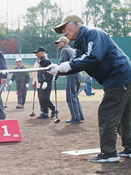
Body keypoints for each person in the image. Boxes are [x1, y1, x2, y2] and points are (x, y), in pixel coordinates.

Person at [48, 15, 131, 162]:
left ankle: (109, 153)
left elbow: (93, 57)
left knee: (107, 113)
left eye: (64, 28)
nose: (63, 33)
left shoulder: (93, 34)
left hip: (119, 77)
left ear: (75, 24)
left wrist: (67, 66)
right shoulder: (80, 44)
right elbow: (78, 63)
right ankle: (129, 148)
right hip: (121, 78)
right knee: (125, 114)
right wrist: (59, 69)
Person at [54, 36, 84, 123]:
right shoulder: (72, 50)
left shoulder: (64, 50)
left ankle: (75, 117)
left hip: (71, 76)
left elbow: (61, 65)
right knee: (74, 97)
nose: (58, 44)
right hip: (77, 75)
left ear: (65, 43)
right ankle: (80, 116)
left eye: (59, 42)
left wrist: (56, 75)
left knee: (70, 97)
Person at [33, 47, 58, 119]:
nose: (36, 54)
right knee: (42, 98)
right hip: (42, 82)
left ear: (43, 52)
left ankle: (54, 109)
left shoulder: (46, 61)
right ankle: (45, 112)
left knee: (45, 98)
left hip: (46, 82)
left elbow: (49, 73)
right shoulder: (41, 61)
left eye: (38, 52)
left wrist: (46, 81)